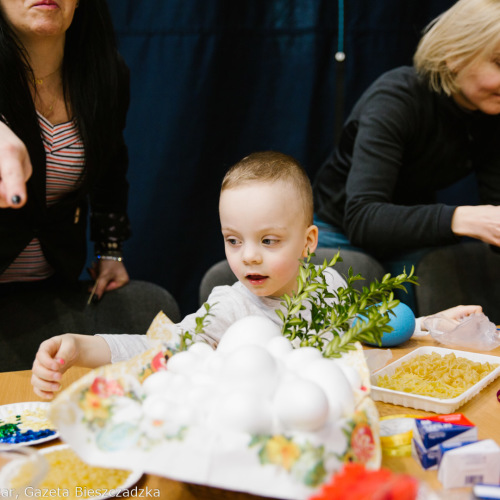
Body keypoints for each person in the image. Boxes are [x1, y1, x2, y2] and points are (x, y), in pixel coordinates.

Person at [31, 151, 482, 399]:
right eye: (233, 239)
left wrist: (432, 325)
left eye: (268, 241)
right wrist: (82, 346)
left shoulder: (329, 285)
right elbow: (157, 348)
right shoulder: (231, 308)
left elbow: (372, 329)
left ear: (308, 243)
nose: (248, 257)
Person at [0, 0, 141, 370]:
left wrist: (110, 249)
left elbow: (111, 164)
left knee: (149, 311)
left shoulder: (106, 74)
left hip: (52, 285)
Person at [313, 0, 500, 268]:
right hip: (336, 229)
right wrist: (462, 219)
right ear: (455, 55)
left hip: (410, 235)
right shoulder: (396, 99)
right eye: (499, 62)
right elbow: (362, 218)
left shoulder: (491, 114)